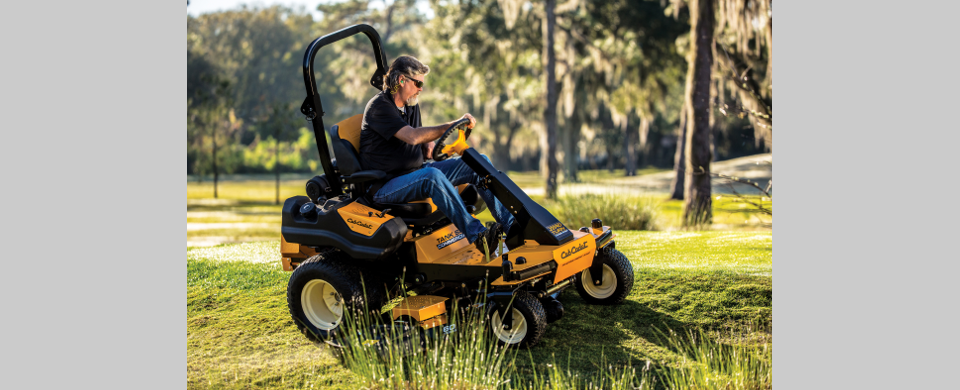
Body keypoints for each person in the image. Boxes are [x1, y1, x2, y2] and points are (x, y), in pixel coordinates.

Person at [359, 55, 515, 255]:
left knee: (479, 162)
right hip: (385, 185)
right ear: (401, 80)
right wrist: (451, 124)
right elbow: (413, 137)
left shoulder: (410, 105)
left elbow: (423, 143)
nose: (421, 89)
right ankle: (479, 236)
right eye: (418, 83)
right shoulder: (379, 106)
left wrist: (431, 147)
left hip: (415, 172)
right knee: (432, 177)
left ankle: (513, 229)